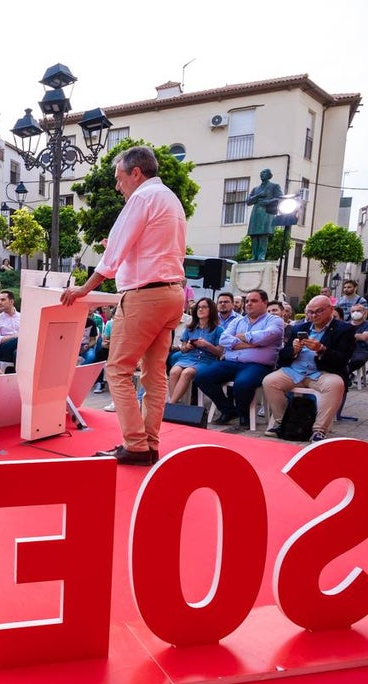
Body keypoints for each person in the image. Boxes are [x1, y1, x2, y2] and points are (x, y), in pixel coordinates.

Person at [61, 145, 187, 466]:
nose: (118, 186)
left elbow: (112, 256)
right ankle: (150, 444)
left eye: (119, 178)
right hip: (172, 293)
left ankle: (135, 445)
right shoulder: (170, 199)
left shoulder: (141, 198)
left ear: (135, 173)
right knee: (154, 375)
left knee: (117, 369)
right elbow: (149, 248)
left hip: (146, 296)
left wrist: (82, 289)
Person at [262, 295, 356, 442]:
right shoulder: (300, 328)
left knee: (336, 384)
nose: (313, 315)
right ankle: (284, 422)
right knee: (269, 381)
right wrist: (293, 350)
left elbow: (343, 358)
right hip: (295, 371)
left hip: (322, 372)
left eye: (318, 311)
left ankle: (319, 430)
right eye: (310, 312)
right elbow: (282, 356)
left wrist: (322, 349)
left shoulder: (344, 329)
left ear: (330, 309)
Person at [196, 289, 285, 428]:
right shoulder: (238, 321)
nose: (249, 304)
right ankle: (228, 410)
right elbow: (223, 339)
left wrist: (242, 337)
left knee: (242, 383)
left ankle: (244, 414)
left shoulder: (275, 320)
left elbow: (268, 335)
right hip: (231, 362)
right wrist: (254, 344)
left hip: (257, 365)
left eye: (254, 301)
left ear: (265, 303)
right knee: (202, 376)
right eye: (247, 301)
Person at [168, 297, 222, 404]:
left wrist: (207, 345)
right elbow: (183, 350)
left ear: (211, 310)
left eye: (204, 307)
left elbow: (219, 353)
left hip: (206, 360)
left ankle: (171, 404)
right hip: (188, 357)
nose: (200, 310)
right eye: (198, 307)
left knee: (186, 373)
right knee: (174, 372)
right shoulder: (190, 328)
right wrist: (187, 346)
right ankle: (175, 402)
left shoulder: (218, 329)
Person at [245, 168, 284, 261]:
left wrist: (267, 201)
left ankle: (261, 255)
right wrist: (258, 196)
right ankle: (254, 255)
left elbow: (280, 198)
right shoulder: (255, 189)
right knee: (254, 235)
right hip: (256, 212)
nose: (262, 174)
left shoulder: (274, 186)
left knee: (263, 234)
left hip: (266, 212)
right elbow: (248, 201)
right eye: (261, 172)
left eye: (264, 172)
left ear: (269, 175)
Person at [346, 303, 368, 383]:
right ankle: (347, 375)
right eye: (353, 311)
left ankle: (345, 373)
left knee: (358, 360)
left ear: (364, 312)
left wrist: (348, 335)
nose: (355, 313)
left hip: (362, 350)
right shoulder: (345, 324)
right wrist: (359, 336)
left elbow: (364, 337)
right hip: (347, 348)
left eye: (358, 310)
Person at [0, 290, 21, 366]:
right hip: (3, 349)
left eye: (3, 300)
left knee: (17, 353)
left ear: (11, 301)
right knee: (19, 340)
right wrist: (14, 336)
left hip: (19, 349)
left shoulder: (22, 317)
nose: (0, 303)